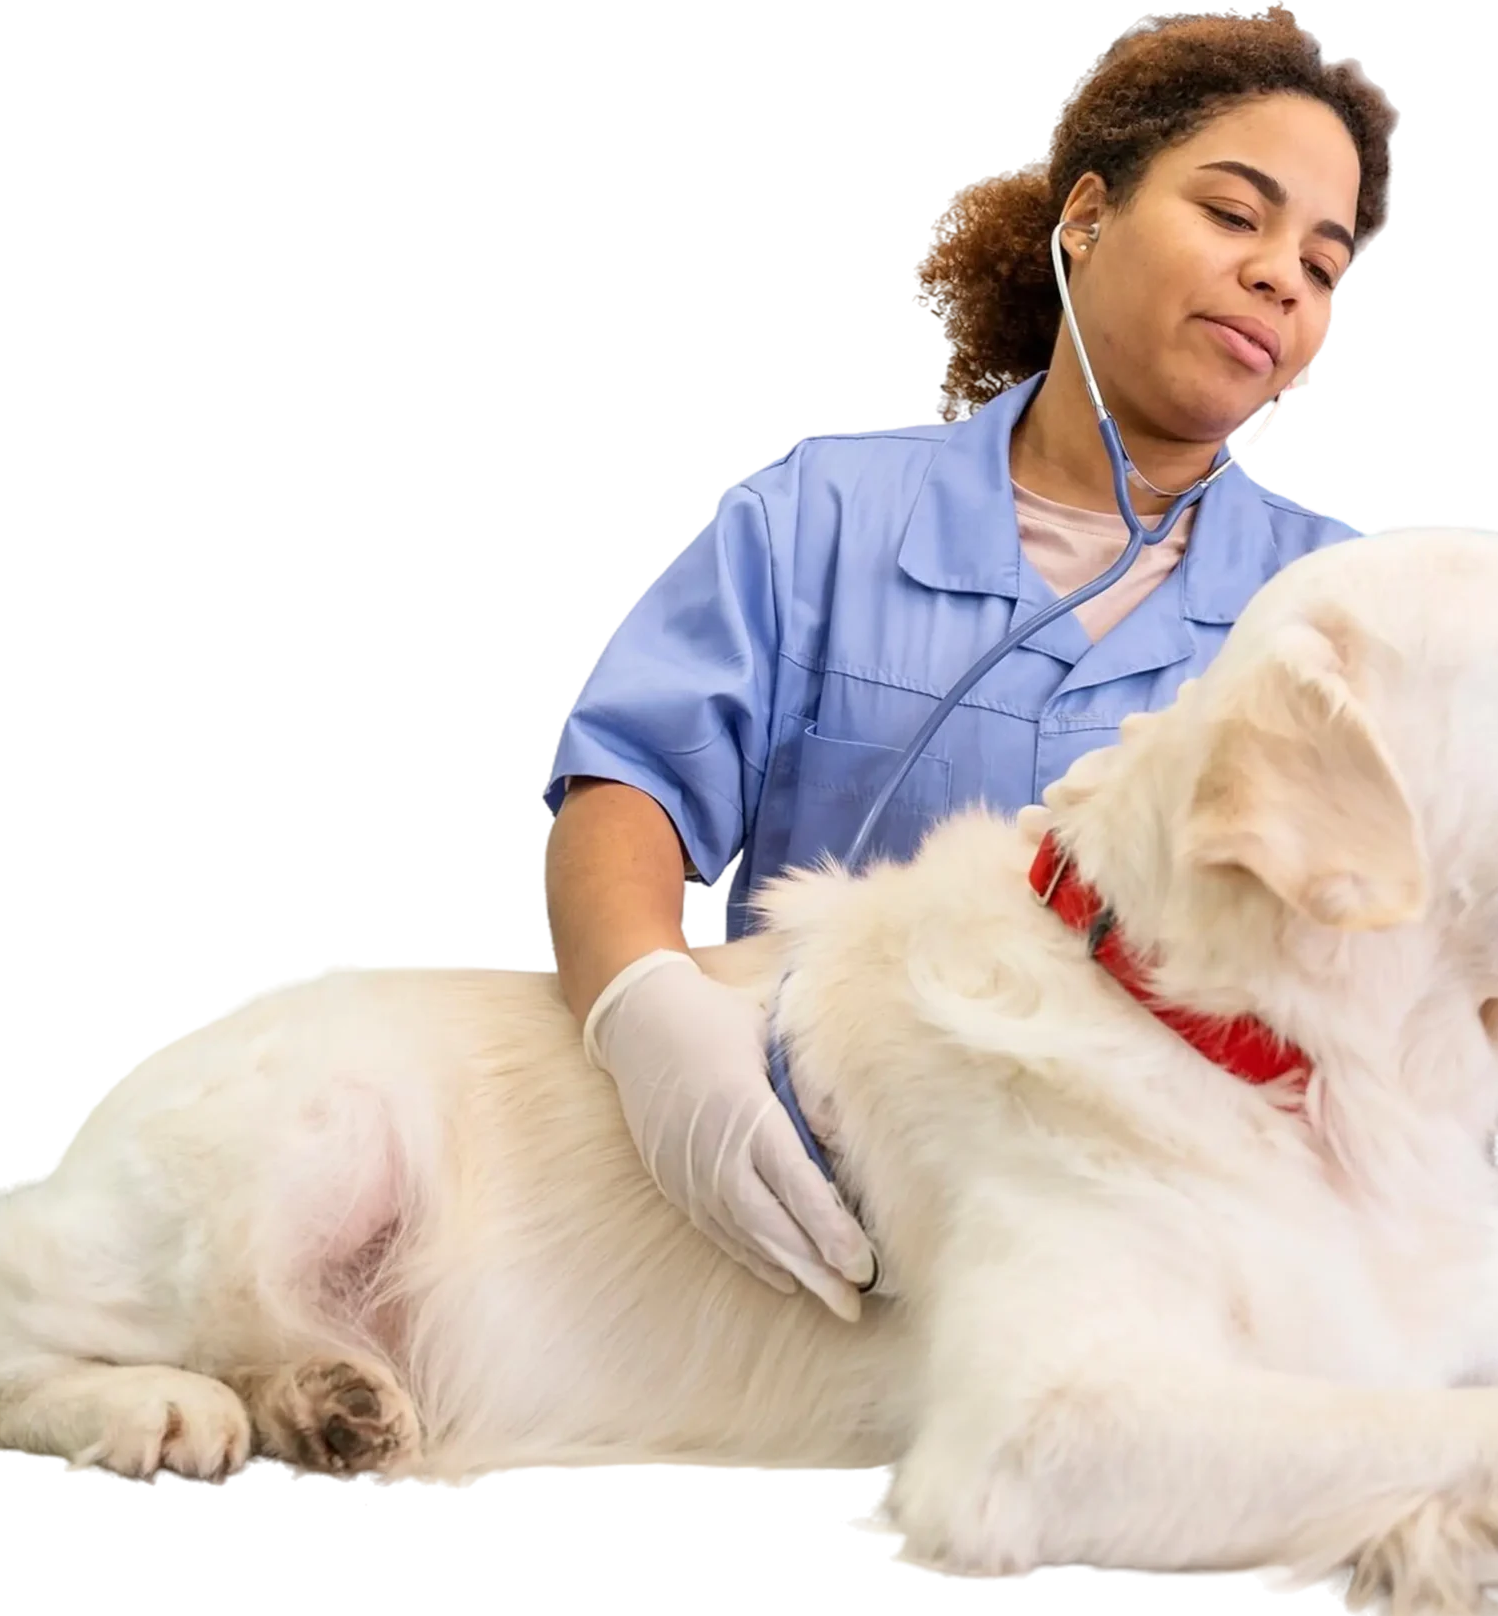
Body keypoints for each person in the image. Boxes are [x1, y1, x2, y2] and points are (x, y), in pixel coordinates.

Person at [541, 6, 1402, 1323]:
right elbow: (629, 785)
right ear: (1088, 219)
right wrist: (651, 1022)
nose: (1284, 277)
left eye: (1324, 265)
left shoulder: (1342, 607)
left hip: (1173, 1269)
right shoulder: (819, 515)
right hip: (791, 1226)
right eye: (1237, 214)